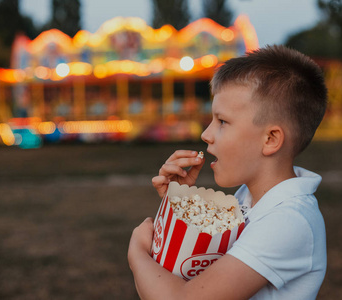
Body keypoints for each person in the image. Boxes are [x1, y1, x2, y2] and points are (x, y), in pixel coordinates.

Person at [128, 45, 328, 300]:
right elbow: (174, 278)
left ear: (270, 139)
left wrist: (136, 252)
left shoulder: (288, 221)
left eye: (222, 121)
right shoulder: (247, 199)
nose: (206, 134)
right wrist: (180, 208)